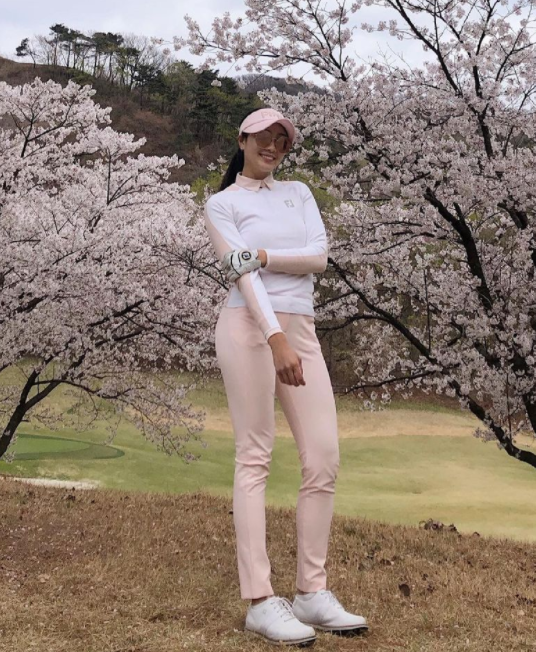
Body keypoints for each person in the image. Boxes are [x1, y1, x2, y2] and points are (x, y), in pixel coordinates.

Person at [204, 107, 368, 646]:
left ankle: (311, 592)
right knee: (255, 455)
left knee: (323, 457)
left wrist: (265, 254)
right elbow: (241, 274)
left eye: (282, 140)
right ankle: (259, 599)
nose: (272, 146)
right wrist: (274, 336)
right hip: (248, 327)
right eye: (263, 137)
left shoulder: (299, 193)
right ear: (242, 139)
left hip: (303, 328)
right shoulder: (222, 204)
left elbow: (318, 258)